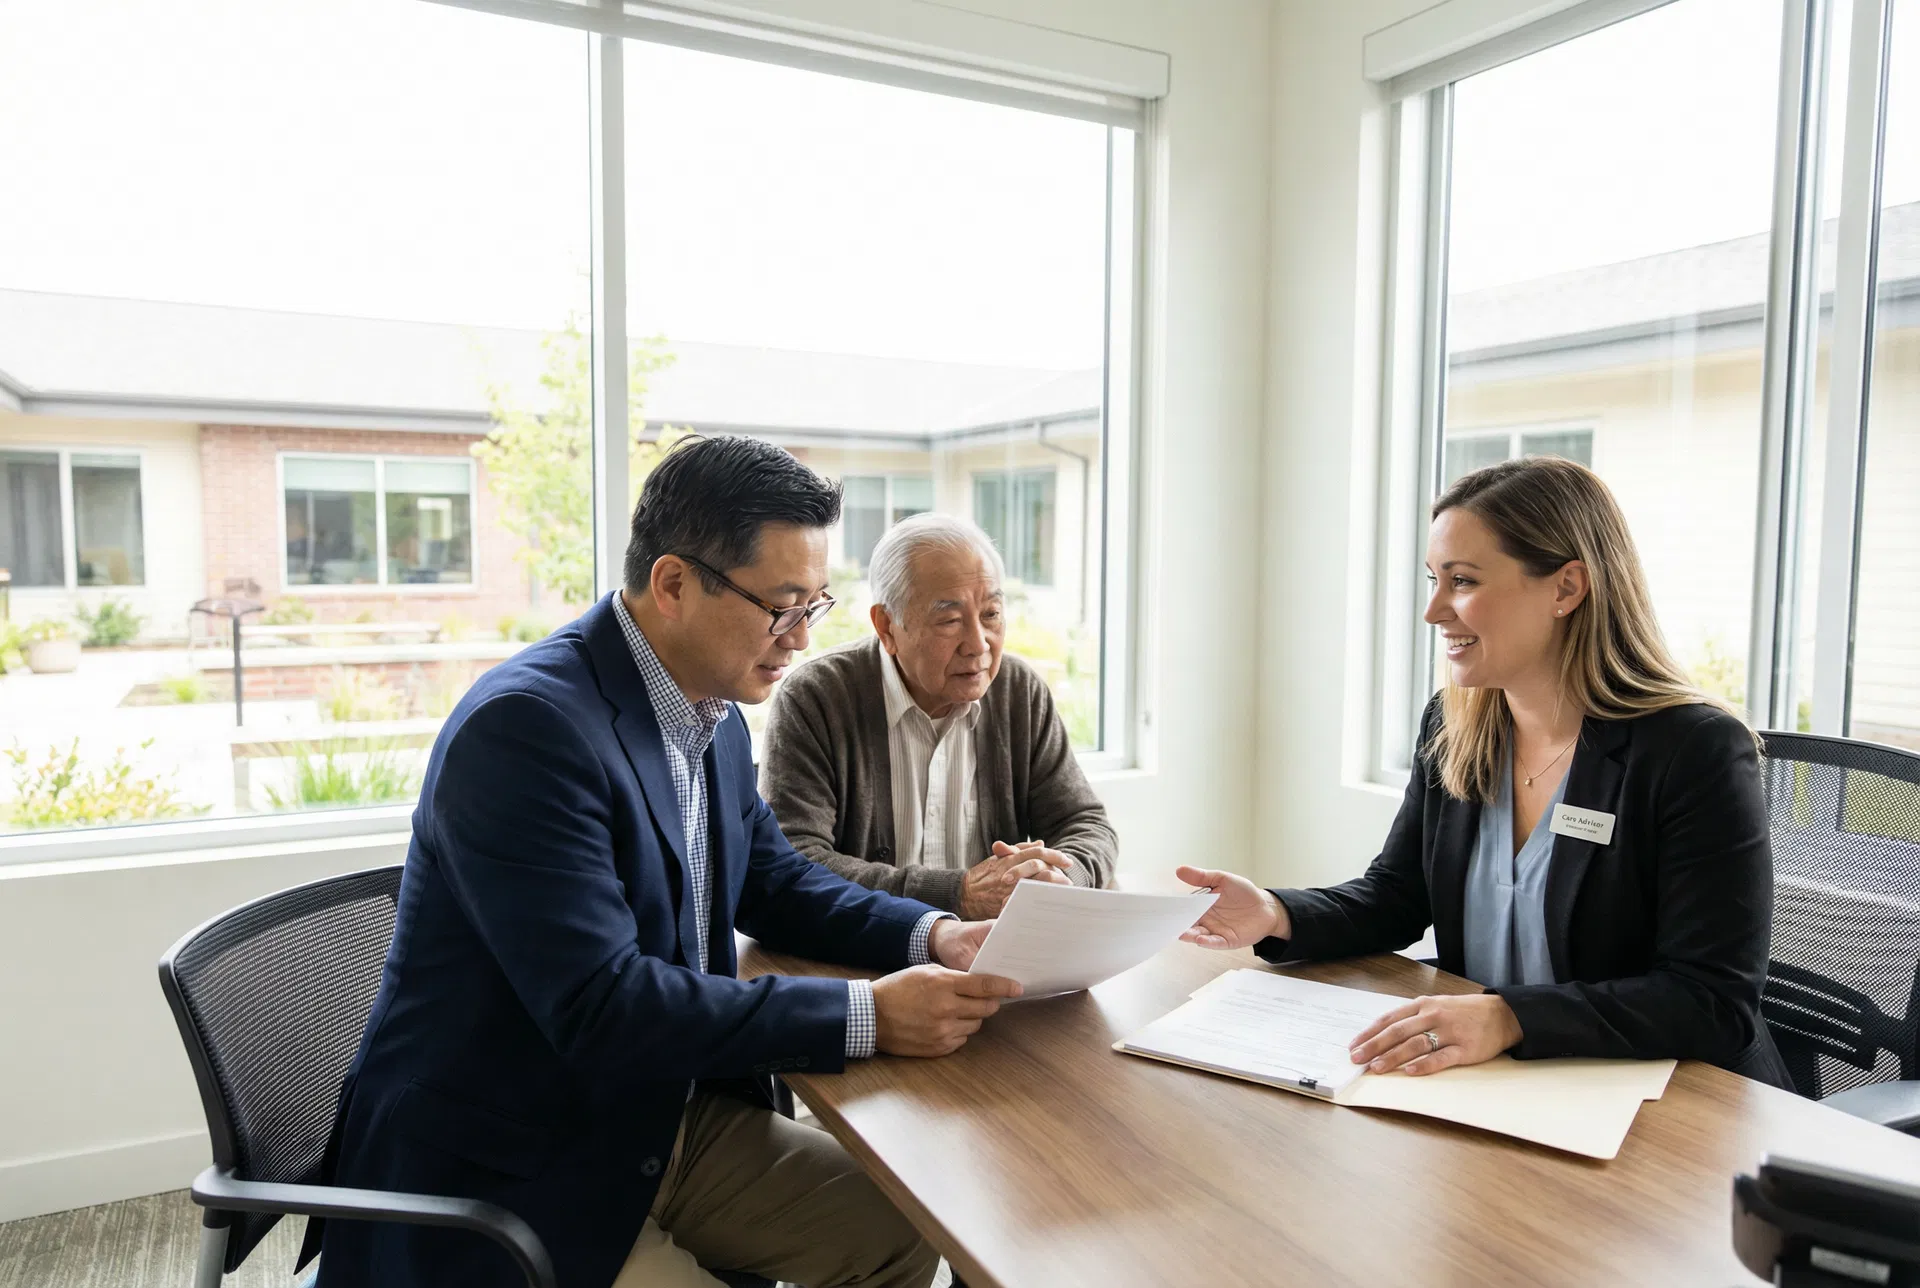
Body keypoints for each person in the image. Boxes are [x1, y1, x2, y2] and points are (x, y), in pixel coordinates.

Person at [314, 437, 1023, 1288]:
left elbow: (776, 880)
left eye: (815, 605)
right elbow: (603, 1008)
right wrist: (865, 1015)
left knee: (901, 1232)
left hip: (657, 1117)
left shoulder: (711, 708)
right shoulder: (526, 734)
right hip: (518, 1165)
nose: (800, 639)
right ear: (675, 584)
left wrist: (935, 934)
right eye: (781, 607)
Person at [1179, 456, 1792, 1088]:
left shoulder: (1694, 750)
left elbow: (1712, 1002)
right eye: (1432, 580)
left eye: (1463, 582)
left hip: (1671, 1104)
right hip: (1505, 1084)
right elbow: (1396, 895)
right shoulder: (1457, 725)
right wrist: (1276, 912)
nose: (1434, 611)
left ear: (1566, 588)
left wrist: (1509, 1018)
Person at [760, 512, 1117, 918]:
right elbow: (796, 863)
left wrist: (1062, 879)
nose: (978, 644)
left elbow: (1087, 824)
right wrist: (956, 894)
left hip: (994, 953)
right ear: (887, 626)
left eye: (991, 614)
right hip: (867, 958)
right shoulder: (817, 698)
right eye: (949, 620)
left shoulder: (1019, 692)